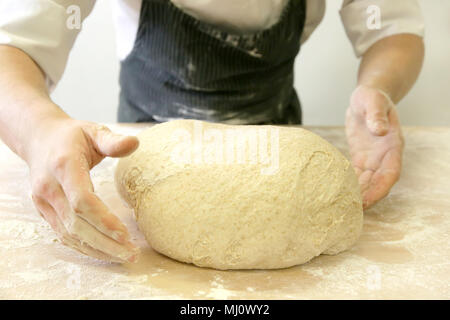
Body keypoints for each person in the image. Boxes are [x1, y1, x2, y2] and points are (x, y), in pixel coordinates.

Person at [0, 0, 425, 262]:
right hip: (145, 143)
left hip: (282, 149)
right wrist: (39, 130)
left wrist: (377, 87)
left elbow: (393, 25)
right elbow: (14, 43)